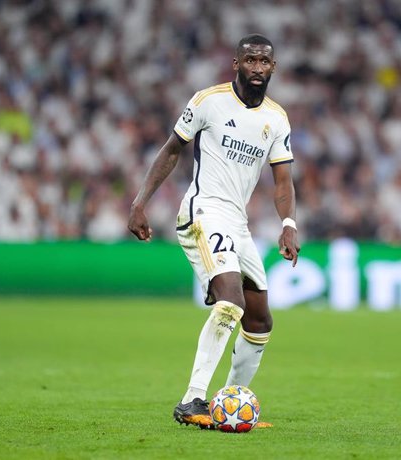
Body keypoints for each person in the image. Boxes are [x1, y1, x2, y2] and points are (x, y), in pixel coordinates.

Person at [128, 34, 300, 429]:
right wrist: (140, 202)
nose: (257, 67)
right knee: (230, 302)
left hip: (237, 222)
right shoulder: (209, 101)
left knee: (259, 321)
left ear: (273, 68)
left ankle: (228, 403)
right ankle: (192, 401)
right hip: (203, 211)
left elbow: (283, 182)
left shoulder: (276, 118)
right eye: (250, 60)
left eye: (264, 62)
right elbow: (172, 149)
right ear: (235, 64)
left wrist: (288, 224)